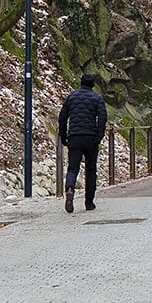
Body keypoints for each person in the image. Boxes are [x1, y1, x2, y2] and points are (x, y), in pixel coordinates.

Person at [57, 74, 107, 213]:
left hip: (74, 137)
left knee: (73, 168)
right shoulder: (97, 98)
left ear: (81, 83)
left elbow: (62, 118)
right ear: (93, 85)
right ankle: (89, 202)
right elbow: (102, 119)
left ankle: (70, 188)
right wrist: (99, 136)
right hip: (91, 138)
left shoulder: (71, 97)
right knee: (90, 170)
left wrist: (64, 136)